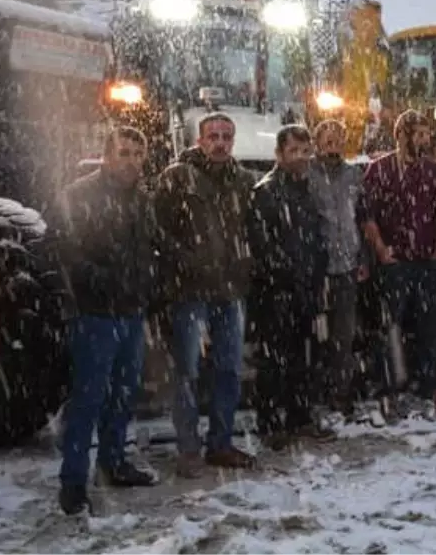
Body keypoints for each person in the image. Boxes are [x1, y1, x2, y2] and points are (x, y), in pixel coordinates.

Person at [50, 127, 157, 515]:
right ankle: (73, 483)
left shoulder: (144, 200)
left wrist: (145, 289)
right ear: (107, 156)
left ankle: (112, 464)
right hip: (95, 314)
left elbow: (149, 250)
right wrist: (102, 281)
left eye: (137, 154)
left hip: (132, 312)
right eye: (124, 153)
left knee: (123, 395)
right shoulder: (79, 195)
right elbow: (66, 251)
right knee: (88, 398)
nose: (131, 161)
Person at [155, 113, 258, 477]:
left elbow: (254, 230)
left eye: (226, 136)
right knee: (187, 371)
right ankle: (188, 449)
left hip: (230, 291)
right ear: (199, 140)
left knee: (228, 369)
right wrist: (187, 262)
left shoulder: (244, 181)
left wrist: (246, 263)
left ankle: (221, 443)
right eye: (213, 136)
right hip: (190, 292)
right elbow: (159, 231)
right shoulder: (177, 178)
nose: (220, 142)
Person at [247, 125, 334, 449]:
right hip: (276, 292)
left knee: (304, 357)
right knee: (273, 361)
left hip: (306, 290)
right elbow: (262, 247)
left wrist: (315, 277)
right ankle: (270, 424)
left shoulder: (308, 189)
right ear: (280, 154)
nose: (301, 157)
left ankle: (300, 417)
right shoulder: (266, 192)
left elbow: (316, 238)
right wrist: (284, 277)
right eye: (294, 151)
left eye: (305, 151)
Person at [361, 110, 436, 415]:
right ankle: (389, 385)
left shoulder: (433, 171)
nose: (424, 139)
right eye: (418, 133)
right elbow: (368, 215)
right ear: (401, 135)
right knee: (389, 324)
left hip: (425, 259)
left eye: (426, 133)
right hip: (395, 260)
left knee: (429, 324)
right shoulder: (379, 170)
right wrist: (381, 249)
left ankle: (428, 382)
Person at [308, 120, 368, 413]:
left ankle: (340, 392)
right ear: (317, 143)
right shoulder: (307, 175)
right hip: (317, 269)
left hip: (346, 265)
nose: (332, 147)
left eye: (337, 141)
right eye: (327, 141)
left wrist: (363, 258)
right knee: (315, 333)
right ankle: (314, 390)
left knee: (344, 333)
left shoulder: (353, 174)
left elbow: (362, 217)